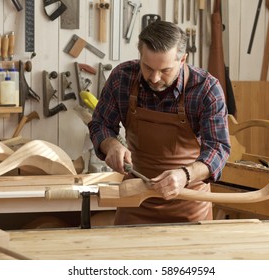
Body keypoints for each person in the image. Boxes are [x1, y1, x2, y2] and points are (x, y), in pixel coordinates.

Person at [88, 21, 230, 225]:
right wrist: (111, 145)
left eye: (165, 70)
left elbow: (218, 149)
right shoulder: (123, 78)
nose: (154, 78)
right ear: (140, 55)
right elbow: (100, 123)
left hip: (188, 204)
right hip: (135, 202)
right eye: (147, 67)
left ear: (183, 59)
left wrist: (185, 174)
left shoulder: (205, 89)